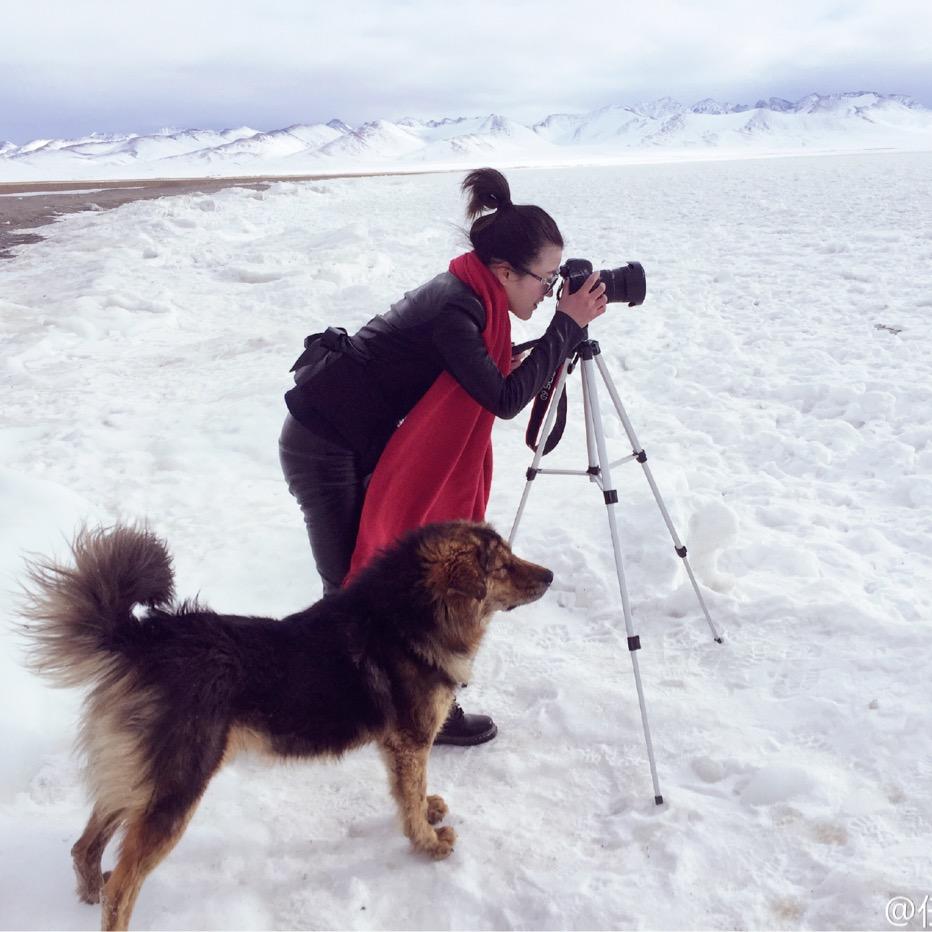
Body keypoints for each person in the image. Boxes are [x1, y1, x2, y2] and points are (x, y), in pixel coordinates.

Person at [279, 167, 607, 745]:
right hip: (321, 443)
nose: (552, 291)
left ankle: (408, 702)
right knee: (358, 590)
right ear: (504, 271)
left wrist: (562, 332)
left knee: (389, 581)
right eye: (546, 279)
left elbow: (490, 379)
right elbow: (504, 398)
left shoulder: (473, 295)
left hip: (360, 436)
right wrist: (567, 324)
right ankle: (334, 707)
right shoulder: (457, 309)